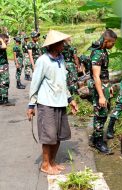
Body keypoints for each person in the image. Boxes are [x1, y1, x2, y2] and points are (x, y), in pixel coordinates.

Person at [26, 30, 78, 175]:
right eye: (61, 43)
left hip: (60, 102)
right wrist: (31, 105)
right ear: (54, 45)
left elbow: (63, 83)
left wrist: (70, 99)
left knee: (59, 135)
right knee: (49, 136)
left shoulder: (61, 59)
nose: (64, 45)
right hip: (46, 103)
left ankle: (52, 162)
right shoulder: (43, 60)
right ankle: (45, 164)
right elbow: (35, 83)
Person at [88, 29, 117, 154]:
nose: (113, 45)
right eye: (112, 43)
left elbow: (104, 73)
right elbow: (96, 76)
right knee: (100, 113)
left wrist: (108, 86)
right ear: (106, 41)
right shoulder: (97, 53)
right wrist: (101, 95)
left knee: (104, 112)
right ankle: (98, 141)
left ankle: (96, 137)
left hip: (104, 85)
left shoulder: (103, 50)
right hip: (99, 87)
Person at [0, 34, 14, 106]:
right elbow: (4, 47)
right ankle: (5, 100)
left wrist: (4, 40)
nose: (7, 42)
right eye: (6, 40)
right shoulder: (2, 45)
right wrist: (1, 39)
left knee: (1, 83)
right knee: (5, 83)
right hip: (3, 66)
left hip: (2, 66)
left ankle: (1, 99)